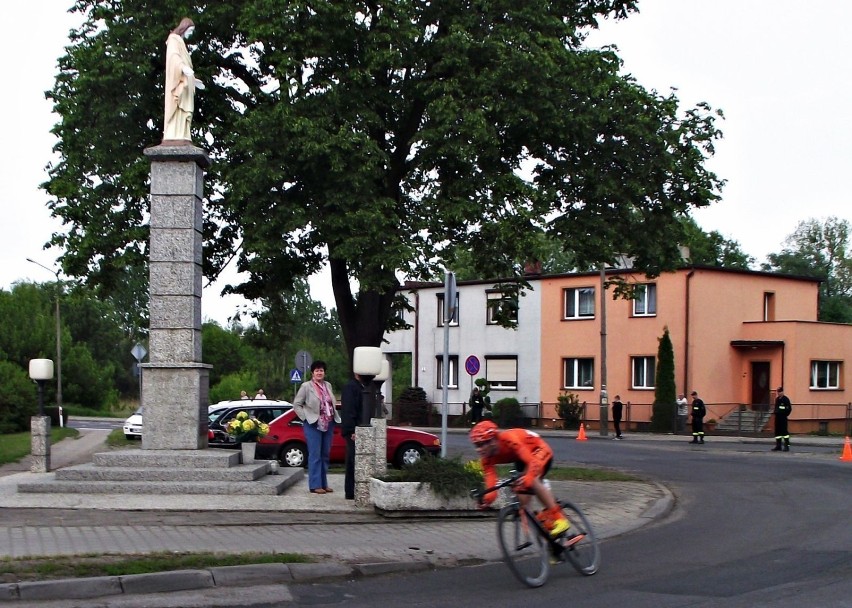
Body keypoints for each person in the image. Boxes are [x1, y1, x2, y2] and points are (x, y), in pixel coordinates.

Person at [469, 421, 583, 545]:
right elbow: (492, 484)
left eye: (481, 445)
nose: (478, 449)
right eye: (476, 445)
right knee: (523, 501)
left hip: (538, 450)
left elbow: (532, 463)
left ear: (492, 441)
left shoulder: (509, 439)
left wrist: (528, 478)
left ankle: (560, 519)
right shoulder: (486, 460)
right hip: (521, 458)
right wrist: (487, 500)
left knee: (531, 480)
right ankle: (551, 541)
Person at [293, 361, 340, 494]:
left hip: (328, 423)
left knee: (325, 454)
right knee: (315, 455)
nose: (319, 373)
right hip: (313, 424)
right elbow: (297, 404)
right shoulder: (306, 386)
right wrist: (305, 418)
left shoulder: (328, 385)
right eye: (317, 370)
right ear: (312, 373)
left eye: (321, 370)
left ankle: (323, 484)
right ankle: (314, 485)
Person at [163, 17, 204, 142]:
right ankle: (174, 134)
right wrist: (183, 68)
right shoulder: (173, 40)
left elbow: (185, 66)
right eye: (190, 30)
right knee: (178, 107)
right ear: (184, 28)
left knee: (185, 112)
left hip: (186, 83)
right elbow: (173, 58)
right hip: (179, 83)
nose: (190, 34)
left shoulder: (180, 42)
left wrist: (193, 80)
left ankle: (181, 133)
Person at [340, 373, 365, 500]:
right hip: (353, 430)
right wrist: (352, 430)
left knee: (352, 461)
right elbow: (349, 410)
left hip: (355, 429)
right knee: (354, 461)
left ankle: (351, 492)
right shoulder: (351, 387)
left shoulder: (360, 386)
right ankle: (352, 491)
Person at [772, 387, 792, 452]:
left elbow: (789, 409)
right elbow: (776, 407)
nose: (778, 393)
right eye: (778, 392)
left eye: (780, 392)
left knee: (784, 432)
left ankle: (787, 446)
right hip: (777, 418)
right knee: (777, 432)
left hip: (783, 418)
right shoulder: (777, 399)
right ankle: (778, 446)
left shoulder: (786, 399)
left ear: (782, 392)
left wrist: (784, 414)